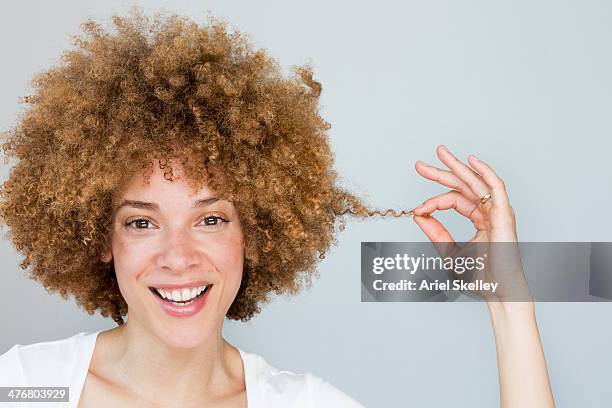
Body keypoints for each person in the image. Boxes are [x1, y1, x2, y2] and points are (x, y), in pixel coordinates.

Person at [0, 8, 555, 407]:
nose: (178, 257)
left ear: (255, 231)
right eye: (142, 222)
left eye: (210, 218)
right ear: (101, 237)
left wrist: (509, 302)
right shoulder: (25, 387)